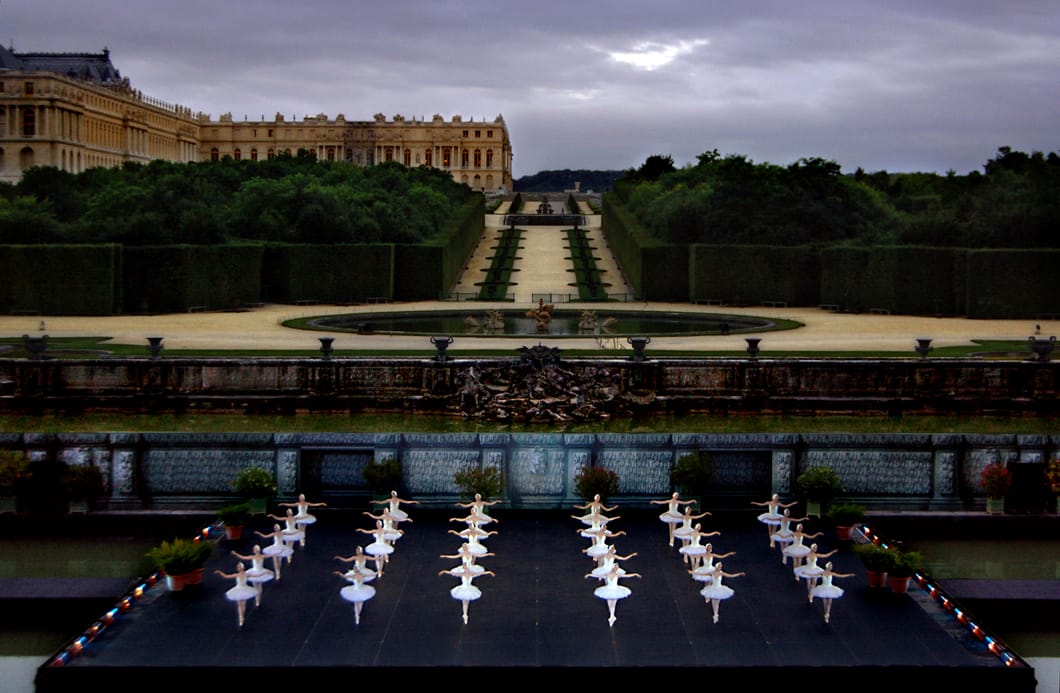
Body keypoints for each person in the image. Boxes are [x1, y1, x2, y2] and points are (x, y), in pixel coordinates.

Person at [586, 562, 641, 627]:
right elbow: (598, 576)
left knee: (613, 602)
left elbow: (627, 576)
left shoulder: (616, 574)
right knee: (610, 601)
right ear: (613, 567)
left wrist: (635, 574)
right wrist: (590, 575)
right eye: (615, 567)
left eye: (617, 567)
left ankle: (612, 616)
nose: (616, 568)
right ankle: (612, 616)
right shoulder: (608, 574)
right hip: (610, 589)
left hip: (614, 589)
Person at [214, 562, 258, 628]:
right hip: (238, 589)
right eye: (238, 567)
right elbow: (227, 576)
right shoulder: (236, 575)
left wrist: (264, 573)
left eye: (239, 567)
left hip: (245, 589)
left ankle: (242, 615)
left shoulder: (247, 574)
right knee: (239, 604)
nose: (238, 568)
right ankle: (241, 618)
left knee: (243, 604)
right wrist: (220, 572)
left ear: (242, 568)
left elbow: (256, 575)